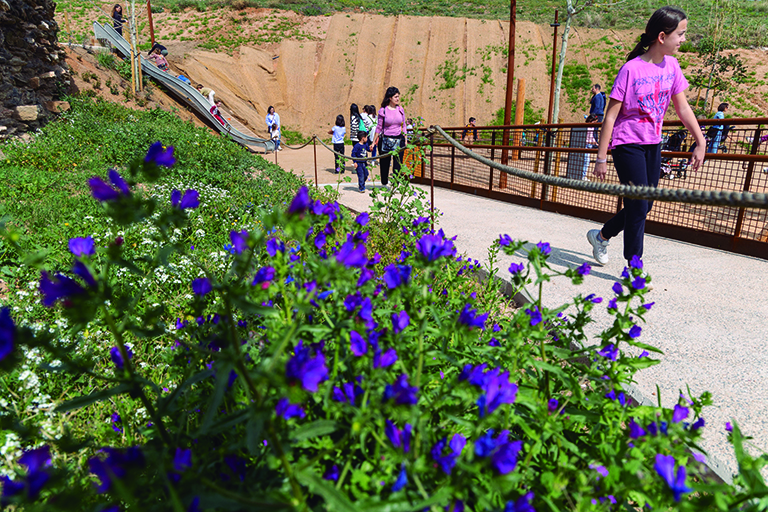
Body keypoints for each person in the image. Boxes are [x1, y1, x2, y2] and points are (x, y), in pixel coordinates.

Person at [586, 6, 706, 267]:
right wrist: (601, 157)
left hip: (653, 144)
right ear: (662, 36)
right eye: (681, 34)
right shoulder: (631, 69)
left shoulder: (672, 66)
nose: (683, 40)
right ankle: (634, 267)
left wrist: (701, 140)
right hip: (627, 144)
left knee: (644, 205)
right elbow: (610, 116)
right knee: (639, 206)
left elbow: (683, 108)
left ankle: (602, 235)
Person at [373, 87, 407, 186]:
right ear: (390, 98)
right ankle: (384, 184)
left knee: (398, 163)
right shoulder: (383, 110)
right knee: (384, 163)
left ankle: (396, 185)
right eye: (395, 97)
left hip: (398, 139)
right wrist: (373, 141)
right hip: (385, 140)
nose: (397, 99)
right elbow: (379, 127)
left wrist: (405, 139)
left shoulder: (400, 109)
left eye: (398, 97)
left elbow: (403, 125)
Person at [582, 114, 599, 181]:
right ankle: (582, 176)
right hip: (586, 145)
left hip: (589, 145)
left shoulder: (591, 127)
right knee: (585, 160)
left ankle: (583, 175)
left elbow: (591, 136)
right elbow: (586, 138)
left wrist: (595, 142)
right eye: (594, 122)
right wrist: (591, 142)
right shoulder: (586, 127)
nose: (595, 124)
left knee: (587, 161)